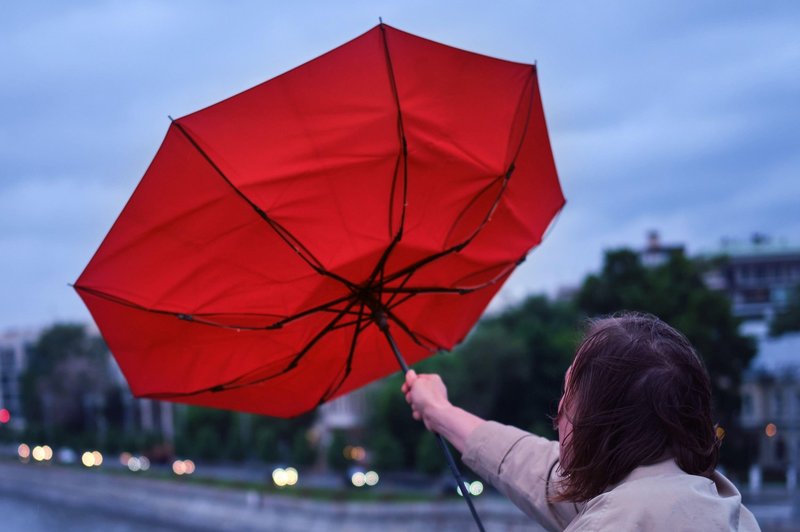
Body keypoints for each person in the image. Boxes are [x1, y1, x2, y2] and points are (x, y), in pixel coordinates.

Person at [402, 313, 760, 531]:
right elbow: (536, 469)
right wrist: (440, 411)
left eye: (569, 397)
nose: (557, 414)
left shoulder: (614, 522)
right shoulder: (719, 505)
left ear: (602, 426)